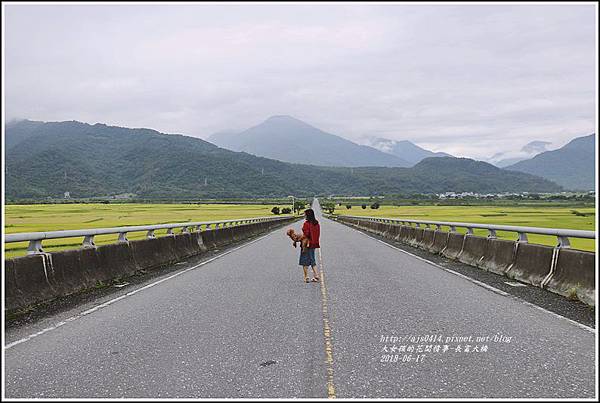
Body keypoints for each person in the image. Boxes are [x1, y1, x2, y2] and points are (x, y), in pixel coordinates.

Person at [299, 208, 320, 283]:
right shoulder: (316, 223)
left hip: (306, 244)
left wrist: (302, 231)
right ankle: (316, 275)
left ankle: (306, 277)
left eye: (305, 214)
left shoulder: (306, 223)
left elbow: (306, 234)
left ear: (308, 215)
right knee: (312, 259)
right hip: (313, 244)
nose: (304, 215)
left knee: (304, 260)